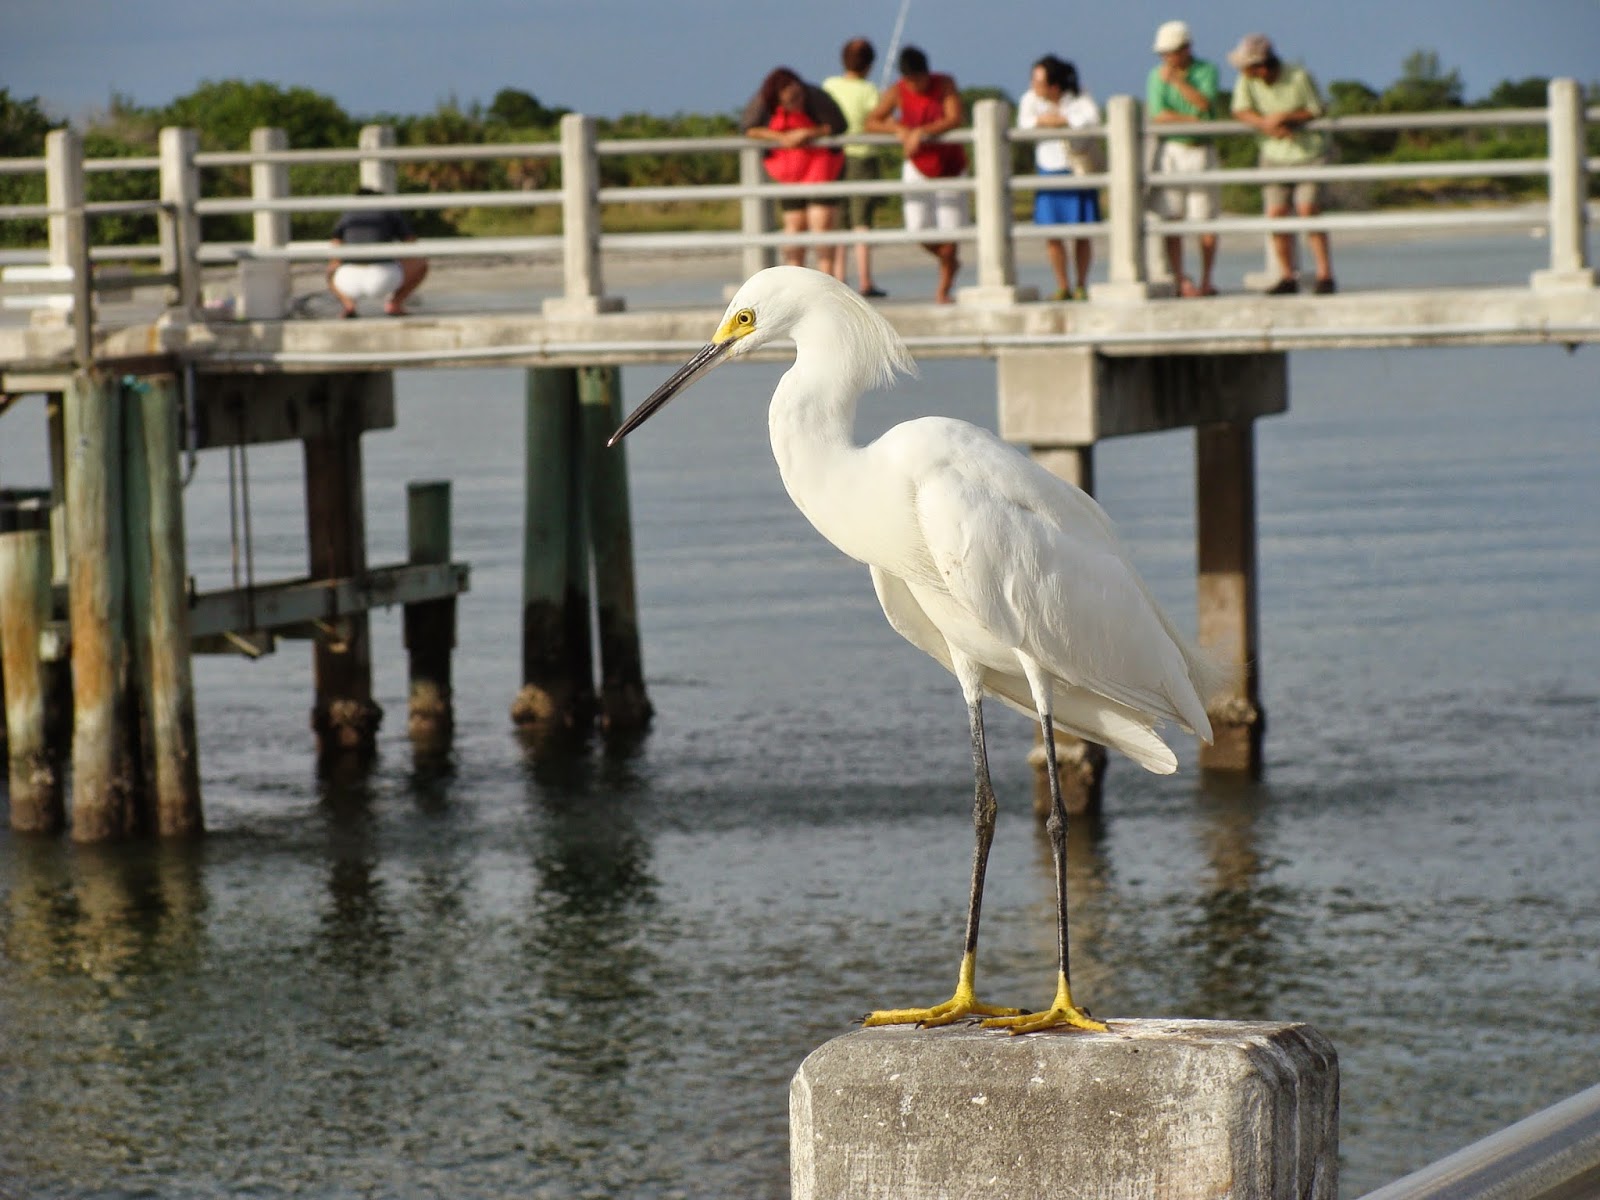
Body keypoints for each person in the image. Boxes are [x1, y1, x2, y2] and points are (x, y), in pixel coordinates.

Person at [1229, 33, 1336, 295]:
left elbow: (1316, 109)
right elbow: (1240, 110)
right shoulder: (1246, 80)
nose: (1245, 72)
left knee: (1308, 209)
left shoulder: (1299, 76)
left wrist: (1287, 118)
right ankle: (1286, 275)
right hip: (1273, 154)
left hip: (1308, 153)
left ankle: (1325, 274)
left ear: (1263, 65)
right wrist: (1266, 124)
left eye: (1249, 67)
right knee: (1276, 215)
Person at [866, 45, 968, 304]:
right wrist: (899, 130)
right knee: (917, 229)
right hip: (917, 165)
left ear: (927, 73)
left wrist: (921, 132)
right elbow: (872, 121)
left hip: (950, 166)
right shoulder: (897, 91)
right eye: (910, 80)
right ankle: (949, 261)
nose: (915, 85)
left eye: (919, 79)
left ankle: (943, 289)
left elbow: (955, 117)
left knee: (951, 231)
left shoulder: (944, 83)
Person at [742, 67, 847, 276]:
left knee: (821, 224)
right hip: (790, 174)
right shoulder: (763, 102)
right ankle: (794, 279)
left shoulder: (816, 97)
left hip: (822, 167)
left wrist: (808, 133)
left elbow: (839, 125)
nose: (795, 102)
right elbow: (748, 129)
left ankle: (827, 282)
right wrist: (781, 137)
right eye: (789, 100)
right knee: (794, 226)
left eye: (797, 97)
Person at [1017, 55, 1102, 301]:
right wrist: (1043, 121)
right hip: (1048, 168)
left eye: (1038, 81)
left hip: (1077, 169)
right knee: (1052, 234)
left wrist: (1063, 120)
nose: (1033, 85)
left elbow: (1092, 118)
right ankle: (1062, 285)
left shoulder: (1079, 96)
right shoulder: (1029, 99)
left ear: (1054, 85)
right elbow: (1024, 124)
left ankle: (1081, 285)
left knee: (1082, 232)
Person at [1146, 20, 1221, 297]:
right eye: (1163, 54)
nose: (1167, 59)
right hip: (1172, 151)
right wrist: (1191, 119)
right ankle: (1179, 279)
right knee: (1171, 217)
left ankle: (1206, 280)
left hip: (1201, 149)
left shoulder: (1207, 70)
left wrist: (1178, 82)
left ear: (1186, 49)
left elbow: (1205, 104)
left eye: (1171, 52)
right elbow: (1159, 115)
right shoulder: (1155, 76)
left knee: (1205, 219)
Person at [822, 37, 887, 298]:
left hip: (834, 157)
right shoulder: (870, 90)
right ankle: (865, 280)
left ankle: (839, 280)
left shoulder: (830, 85)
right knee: (862, 223)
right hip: (863, 157)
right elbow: (877, 120)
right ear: (869, 64)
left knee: (839, 221)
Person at [327, 188, 428, 317]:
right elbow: (410, 243)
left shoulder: (347, 214)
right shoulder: (388, 211)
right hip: (384, 277)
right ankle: (395, 304)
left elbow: (335, 245)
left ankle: (348, 305)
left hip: (348, 280)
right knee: (420, 263)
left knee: (331, 269)